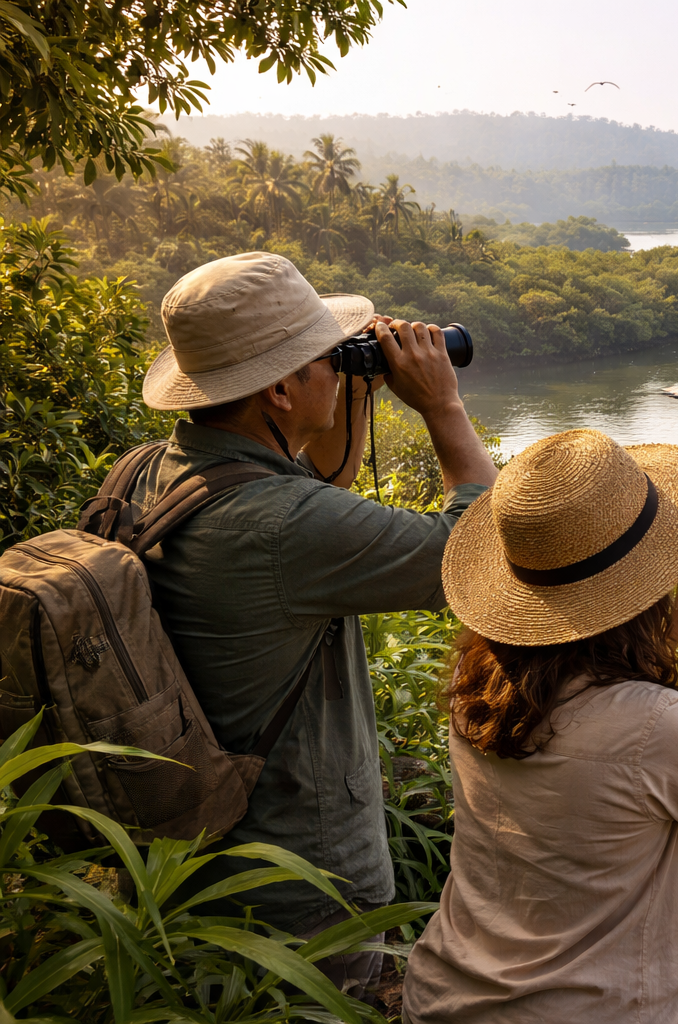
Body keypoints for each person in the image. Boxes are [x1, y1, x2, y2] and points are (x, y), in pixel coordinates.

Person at [134, 252, 498, 995]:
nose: (337, 368)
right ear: (278, 388)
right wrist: (442, 407)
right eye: (323, 360)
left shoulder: (153, 471)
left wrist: (351, 393)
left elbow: (308, 482)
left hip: (194, 861)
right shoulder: (280, 528)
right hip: (301, 886)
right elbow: (483, 555)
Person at [404, 429, 678, 1024]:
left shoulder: (477, 677)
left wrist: (659, 614)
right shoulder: (650, 725)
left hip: (443, 1001)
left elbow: (582, 664)